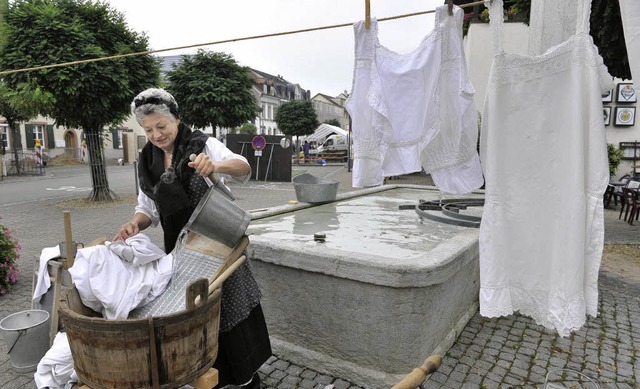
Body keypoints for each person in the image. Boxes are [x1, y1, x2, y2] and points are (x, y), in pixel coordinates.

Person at [113, 88, 271, 389]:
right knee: (196, 313)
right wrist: (135, 223)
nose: (156, 135)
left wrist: (216, 166)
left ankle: (247, 380)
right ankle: (209, 378)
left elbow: (243, 168)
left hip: (219, 243)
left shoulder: (202, 143)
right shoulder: (147, 162)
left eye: (162, 126)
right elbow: (147, 210)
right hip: (181, 251)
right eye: (148, 130)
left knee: (231, 309)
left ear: (177, 120)